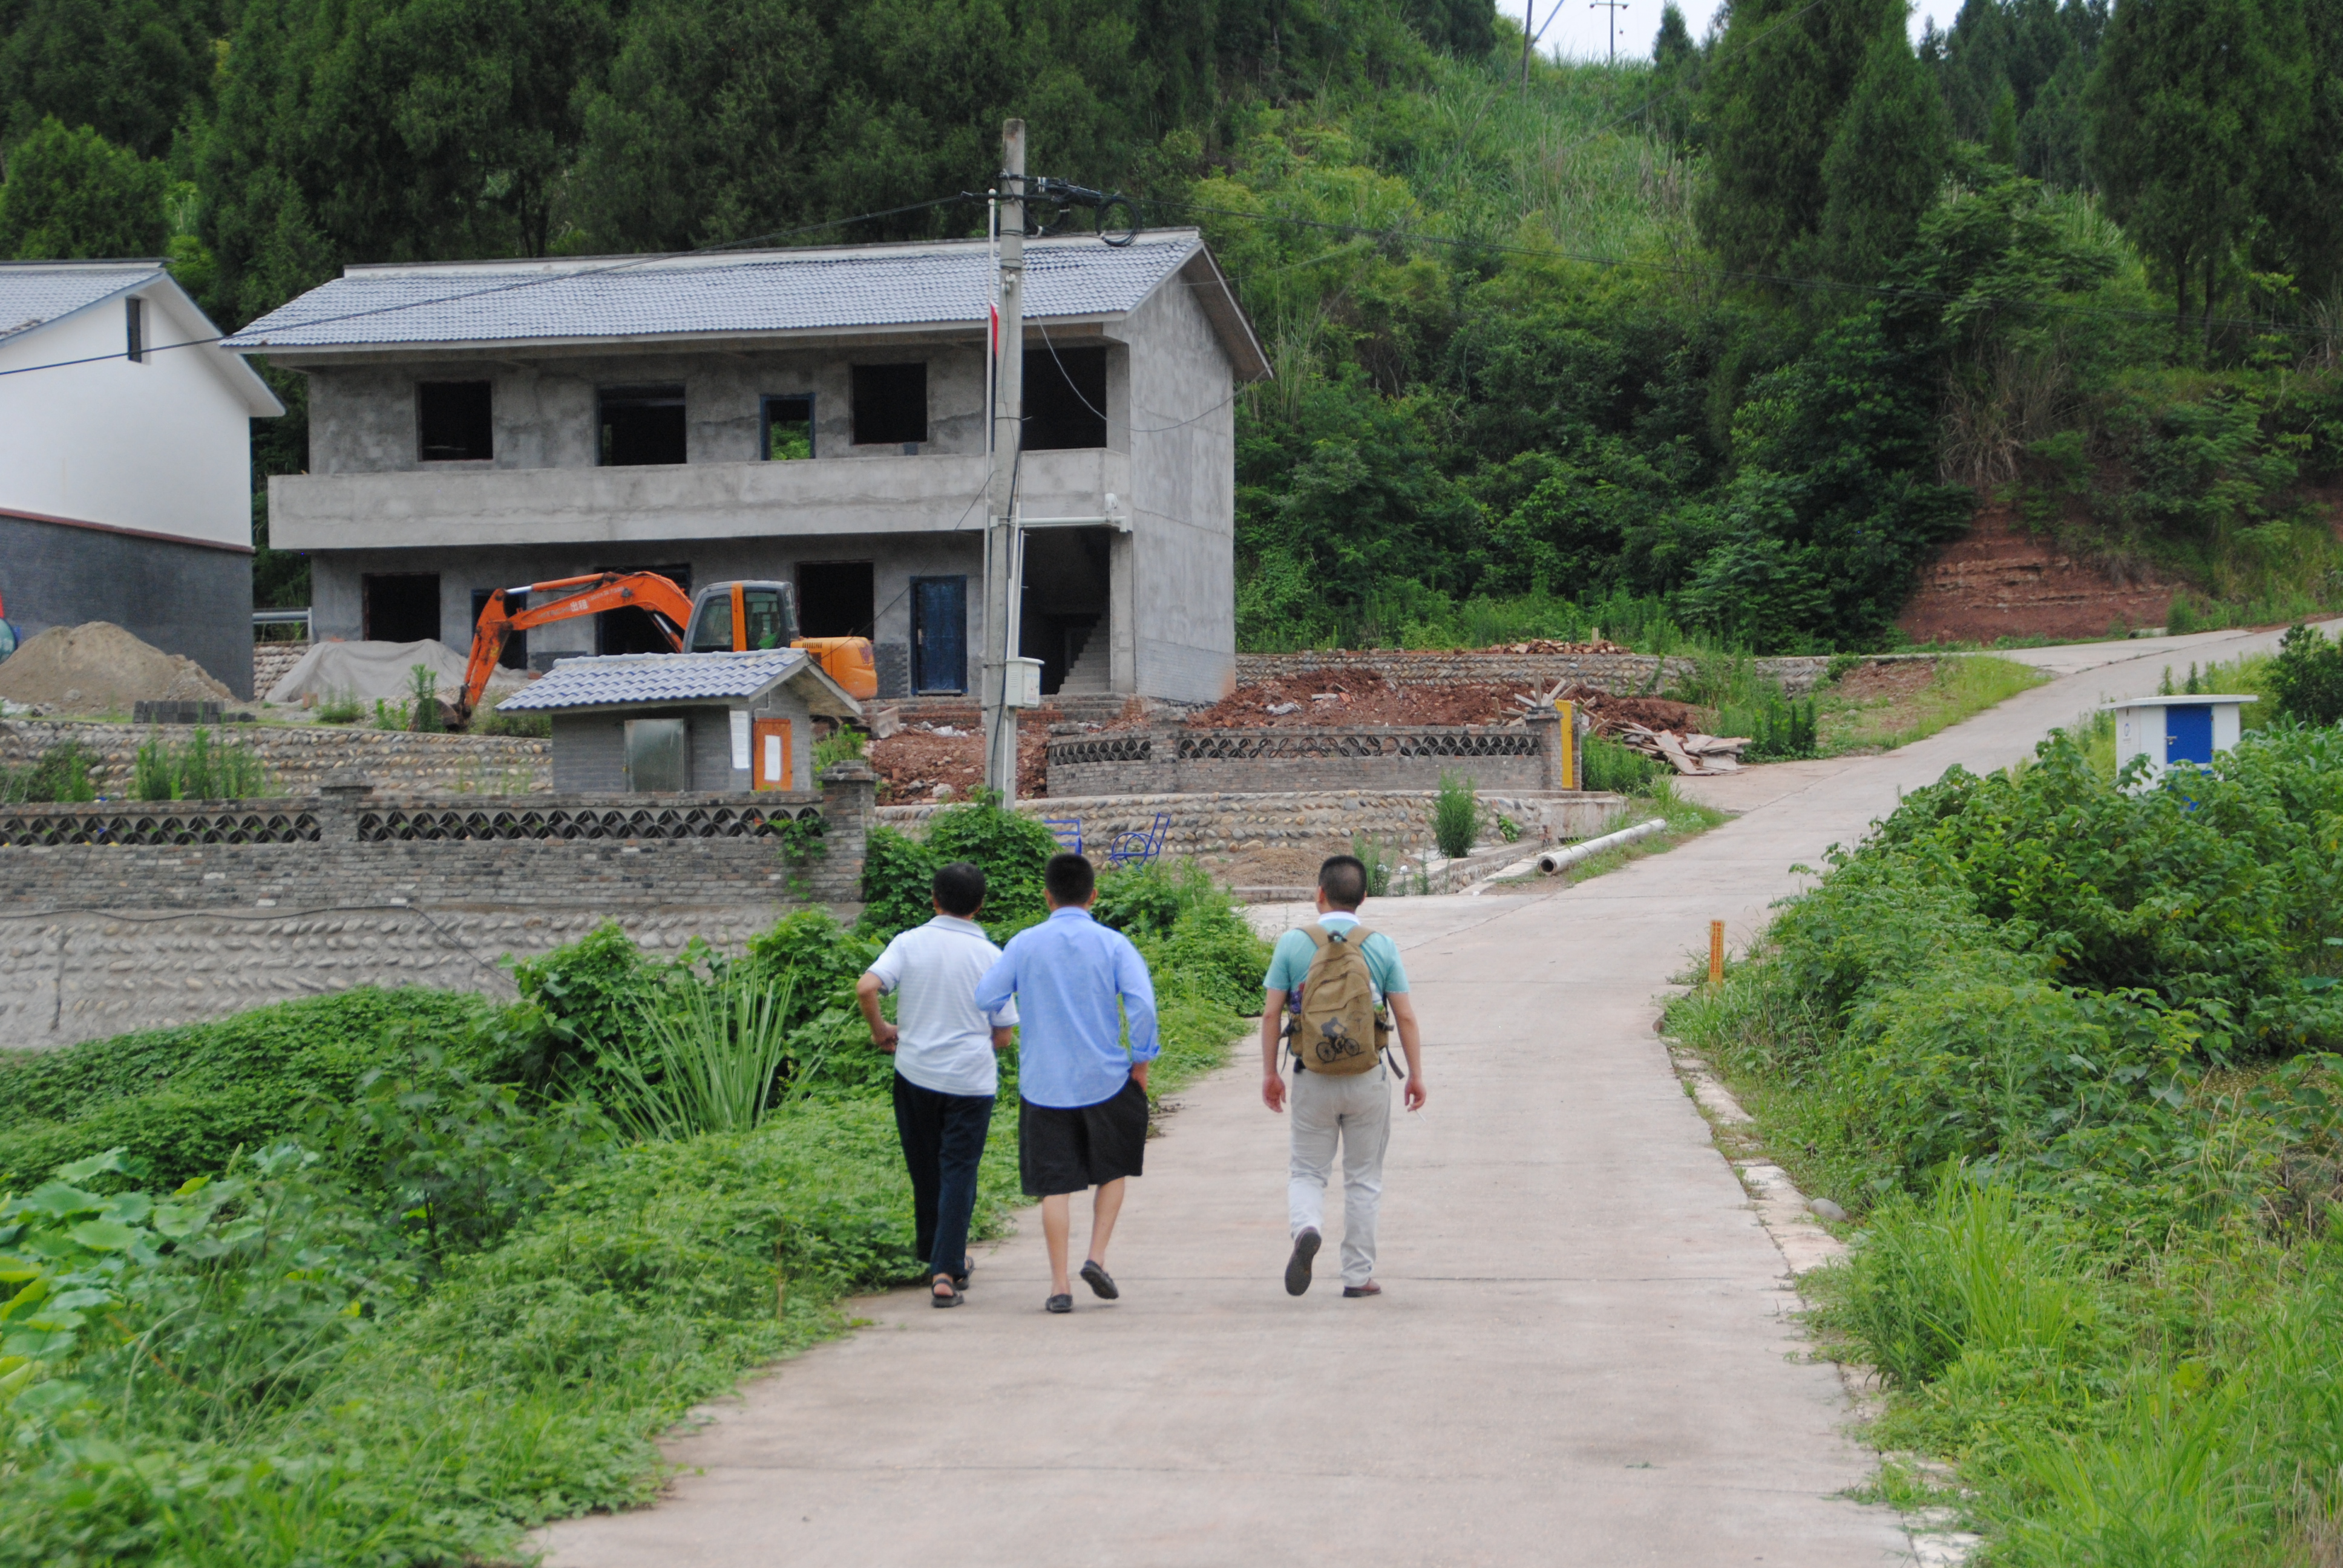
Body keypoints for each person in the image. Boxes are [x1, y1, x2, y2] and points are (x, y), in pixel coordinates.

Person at [975, 852, 1158, 1314]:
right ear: (1094, 896)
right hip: (1107, 1079)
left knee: (1054, 1186)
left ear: (1047, 896)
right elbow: (1142, 1006)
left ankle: (1059, 1287)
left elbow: (986, 996)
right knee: (1113, 1170)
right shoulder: (1114, 944)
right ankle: (1096, 1258)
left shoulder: (1024, 944)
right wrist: (1141, 1062)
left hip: (1044, 1084)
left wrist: (1013, 1016)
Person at [1260, 854, 1426, 1299]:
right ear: (1364, 897)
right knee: (1364, 1178)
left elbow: (1272, 1013)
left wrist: (1269, 1075)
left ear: (1319, 893)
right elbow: (1405, 1018)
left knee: (1308, 1172)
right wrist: (1415, 1076)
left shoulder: (1293, 944)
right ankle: (1357, 1276)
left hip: (1312, 1073)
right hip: (1367, 1074)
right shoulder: (1381, 945)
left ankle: (1307, 1228)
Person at [857, 861, 1018, 1309]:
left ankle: (934, 1255)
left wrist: (880, 1031)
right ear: (981, 905)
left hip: (915, 1074)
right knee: (959, 1170)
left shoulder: (909, 943)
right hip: (970, 1081)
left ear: (934, 899)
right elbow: (1003, 1036)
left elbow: (866, 987)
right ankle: (945, 1270)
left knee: (925, 1168)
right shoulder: (992, 956)